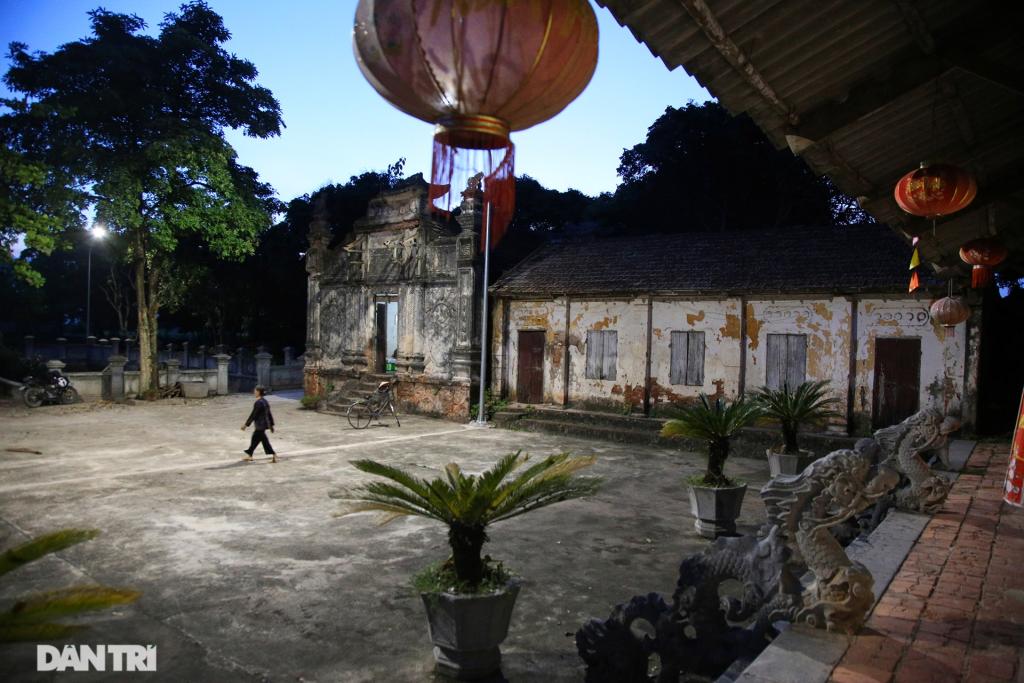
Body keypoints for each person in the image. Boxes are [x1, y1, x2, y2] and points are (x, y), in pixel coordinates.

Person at [241, 386, 277, 463]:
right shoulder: (265, 401)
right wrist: (271, 425)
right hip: (263, 424)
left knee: (261, 440)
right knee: (258, 439)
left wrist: (245, 425)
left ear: (258, 392)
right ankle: (250, 454)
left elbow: (253, 415)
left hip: (260, 425)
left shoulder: (258, 403)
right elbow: (269, 414)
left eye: (255, 391)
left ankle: (273, 454)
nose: (254, 392)